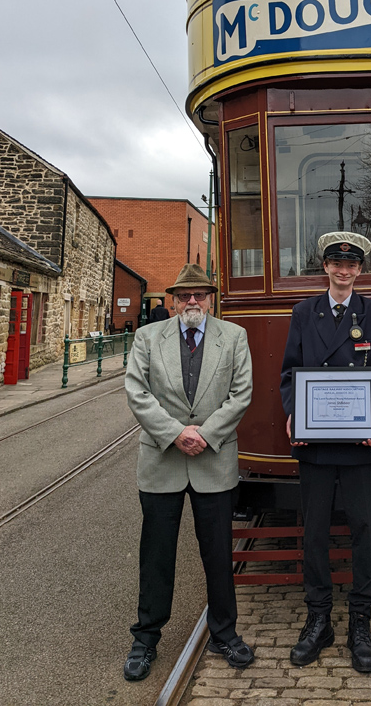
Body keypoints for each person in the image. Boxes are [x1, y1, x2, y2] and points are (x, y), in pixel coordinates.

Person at [123, 263, 253, 682]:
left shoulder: (233, 337)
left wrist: (204, 435)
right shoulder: (147, 337)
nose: (192, 301)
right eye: (184, 295)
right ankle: (145, 639)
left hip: (213, 460)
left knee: (218, 554)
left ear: (210, 298)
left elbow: (241, 393)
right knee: (156, 554)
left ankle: (225, 633)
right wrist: (177, 433)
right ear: (173, 300)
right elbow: (137, 392)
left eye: (199, 294)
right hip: (162, 460)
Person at [280, 232, 371, 673]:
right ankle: (319, 620)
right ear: (324, 267)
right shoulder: (303, 312)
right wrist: (295, 413)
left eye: (351, 265)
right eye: (336, 263)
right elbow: (290, 372)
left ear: (360, 271)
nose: (344, 271)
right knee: (313, 532)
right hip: (314, 443)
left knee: (364, 530)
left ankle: (360, 623)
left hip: (359, 444)